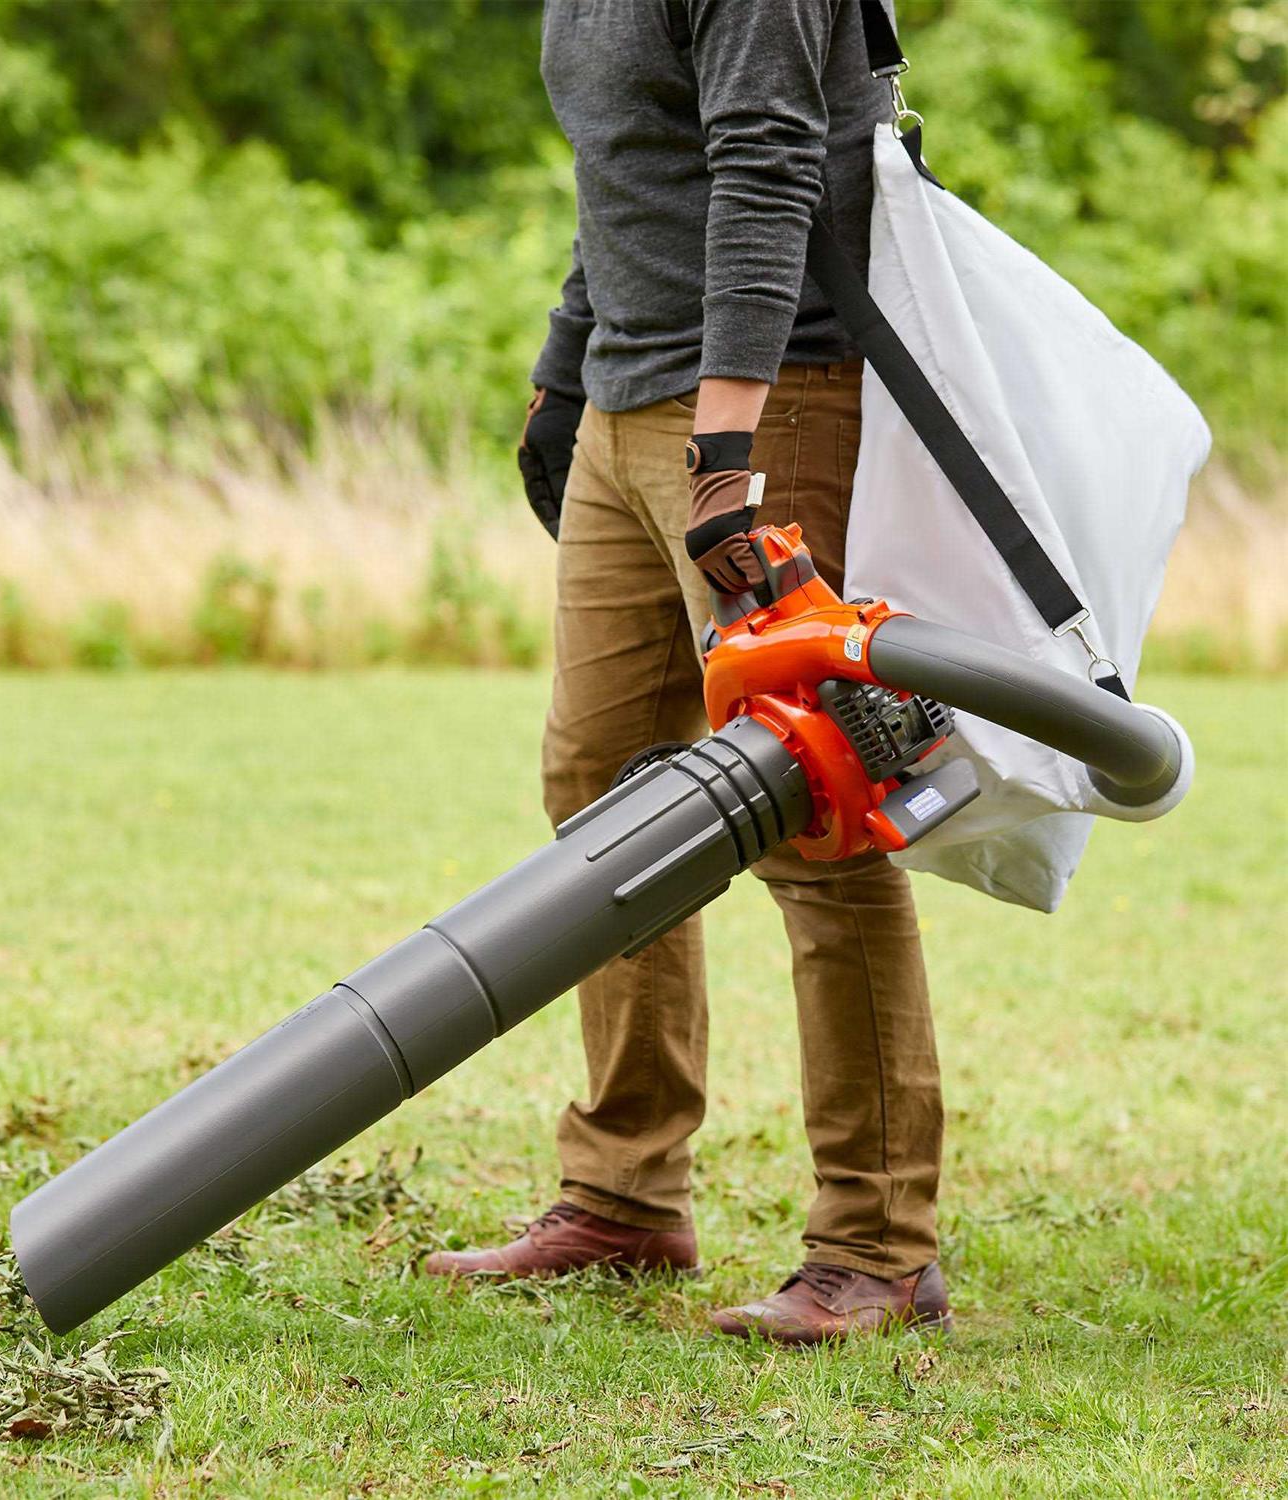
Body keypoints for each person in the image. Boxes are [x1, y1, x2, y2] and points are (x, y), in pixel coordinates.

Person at [423, 0, 950, 1347]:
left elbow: (768, 168)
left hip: (768, 401)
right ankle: (623, 1193)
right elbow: (629, 179)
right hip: (623, 401)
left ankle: (877, 1245)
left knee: (810, 809)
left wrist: (727, 451)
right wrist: (563, 373)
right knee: (603, 788)